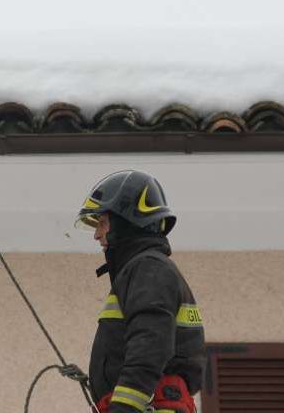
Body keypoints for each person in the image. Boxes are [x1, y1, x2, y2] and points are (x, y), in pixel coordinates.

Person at [75, 170, 206, 413]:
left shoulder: (149, 269)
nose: (96, 234)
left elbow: (150, 344)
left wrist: (124, 406)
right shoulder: (143, 270)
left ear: (126, 223)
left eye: (102, 222)